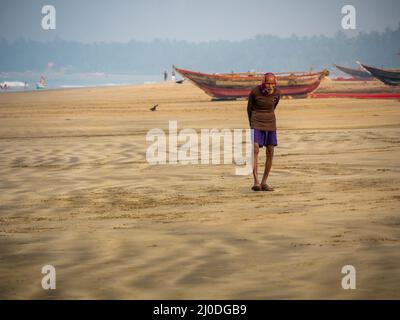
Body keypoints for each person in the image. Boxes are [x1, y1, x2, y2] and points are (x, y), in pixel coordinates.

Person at [247, 73, 281, 191]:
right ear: (263, 82)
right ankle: (256, 181)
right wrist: (252, 125)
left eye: (272, 83)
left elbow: (274, 106)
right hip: (256, 121)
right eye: (268, 83)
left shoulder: (277, 93)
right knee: (255, 148)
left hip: (270, 122)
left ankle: (264, 182)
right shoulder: (255, 92)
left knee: (270, 150)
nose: (270, 86)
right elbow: (249, 109)